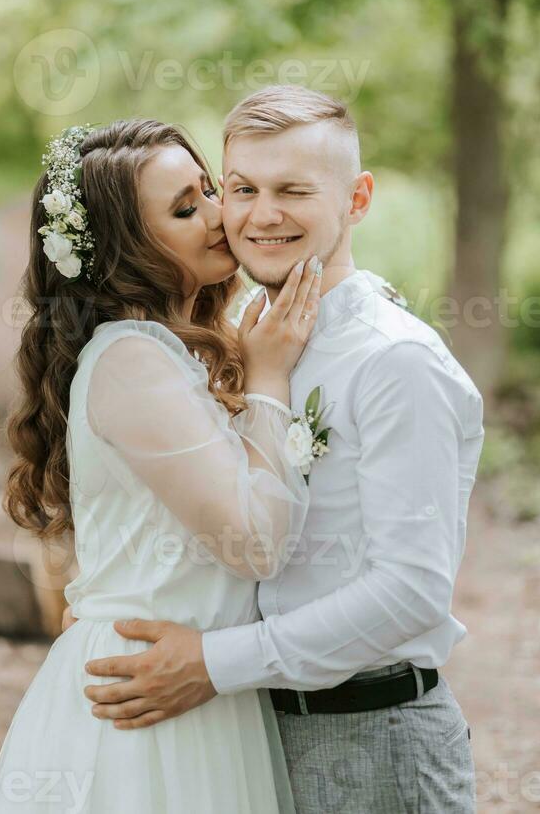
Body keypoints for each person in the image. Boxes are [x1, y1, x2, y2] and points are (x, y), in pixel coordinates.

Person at [82, 87, 485, 813]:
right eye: (241, 189)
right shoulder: (245, 334)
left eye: (293, 190)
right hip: (246, 739)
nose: (261, 215)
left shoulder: (396, 361)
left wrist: (214, 662)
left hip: (372, 739)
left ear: (357, 199)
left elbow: (412, 589)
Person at [0, 117, 323, 813]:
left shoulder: (173, 350)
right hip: (148, 696)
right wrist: (268, 380)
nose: (218, 215)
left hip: (190, 676)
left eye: (206, 189)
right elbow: (252, 543)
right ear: (122, 251)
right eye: (184, 208)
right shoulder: (134, 359)